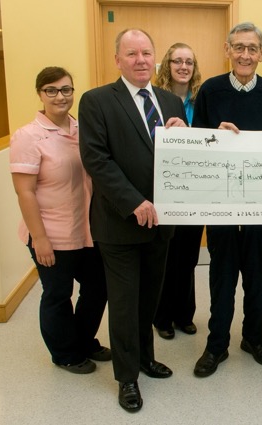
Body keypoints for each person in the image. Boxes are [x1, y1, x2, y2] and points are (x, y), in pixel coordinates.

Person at [78, 28, 187, 412]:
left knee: (149, 299)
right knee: (124, 303)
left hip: (163, 221)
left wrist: (185, 136)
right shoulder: (96, 101)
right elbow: (96, 159)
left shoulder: (171, 101)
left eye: (146, 53)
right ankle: (127, 378)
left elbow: (181, 159)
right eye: (132, 53)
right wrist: (133, 201)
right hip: (120, 222)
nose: (141, 59)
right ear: (117, 60)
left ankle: (144, 357)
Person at [192, 22, 262, 378]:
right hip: (220, 201)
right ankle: (216, 344)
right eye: (239, 47)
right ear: (227, 49)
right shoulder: (210, 91)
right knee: (221, 274)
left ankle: (253, 337)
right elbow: (197, 143)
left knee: (256, 273)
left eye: (252, 48)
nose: (245, 54)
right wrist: (213, 138)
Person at [10, 66, 110, 375]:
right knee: (57, 294)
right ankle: (65, 354)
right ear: (40, 94)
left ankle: (82, 339)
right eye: (51, 90)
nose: (60, 96)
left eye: (66, 89)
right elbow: (25, 192)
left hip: (86, 232)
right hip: (50, 234)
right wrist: (40, 239)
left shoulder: (82, 129)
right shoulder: (29, 136)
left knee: (98, 288)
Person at [152, 42, 204, 340]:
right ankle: (162, 317)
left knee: (188, 255)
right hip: (165, 188)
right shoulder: (155, 100)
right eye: (177, 61)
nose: (183, 67)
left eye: (189, 61)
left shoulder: (201, 100)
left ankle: (185, 314)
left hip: (196, 190)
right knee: (165, 254)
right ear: (166, 66)